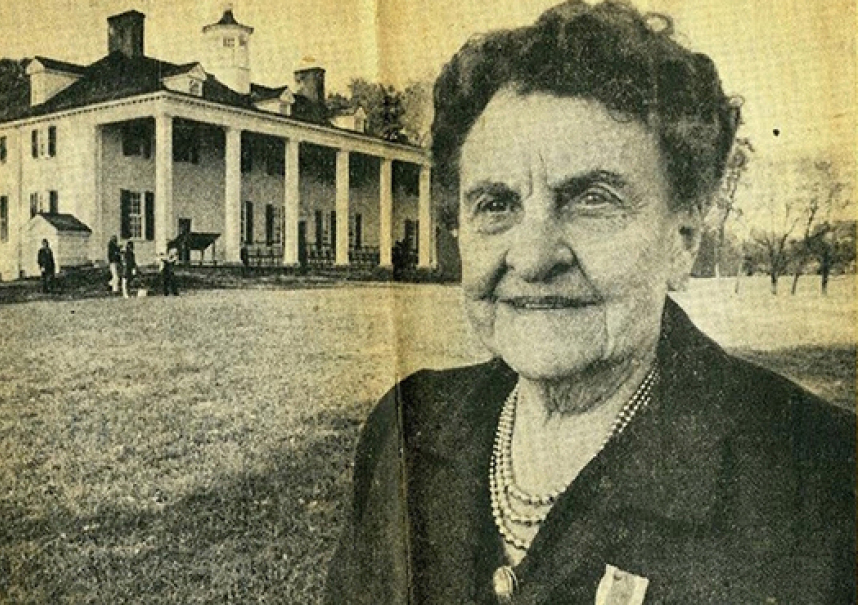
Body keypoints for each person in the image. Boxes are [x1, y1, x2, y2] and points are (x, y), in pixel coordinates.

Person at [325, 3, 856, 604]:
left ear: (683, 237)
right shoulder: (409, 425)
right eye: (496, 205)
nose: (532, 257)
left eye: (591, 199)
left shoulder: (824, 477)